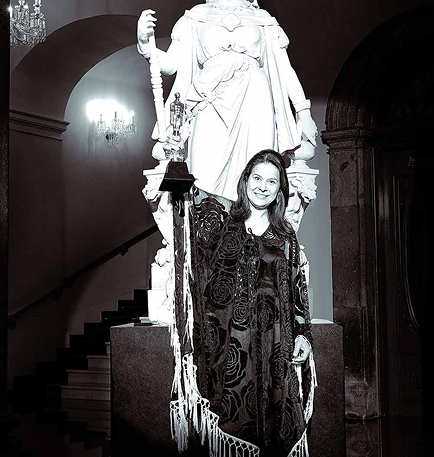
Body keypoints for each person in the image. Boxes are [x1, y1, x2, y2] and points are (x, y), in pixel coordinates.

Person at [165, 150, 316, 457]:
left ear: (280, 189)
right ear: (246, 180)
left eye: (271, 181)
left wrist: (303, 334)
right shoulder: (224, 224)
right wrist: (178, 171)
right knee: (233, 418)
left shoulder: (285, 234)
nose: (263, 187)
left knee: (275, 425)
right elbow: (194, 208)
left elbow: (296, 288)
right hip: (232, 345)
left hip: (276, 344)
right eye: (257, 178)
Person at [137, 0, 318, 202]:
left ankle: (252, 221)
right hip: (208, 99)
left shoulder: (262, 18)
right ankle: (206, 219)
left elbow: (284, 69)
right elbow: (170, 65)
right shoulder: (197, 15)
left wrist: (303, 112)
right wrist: (145, 44)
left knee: (256, 169)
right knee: (204, 169)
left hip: (255, 98)